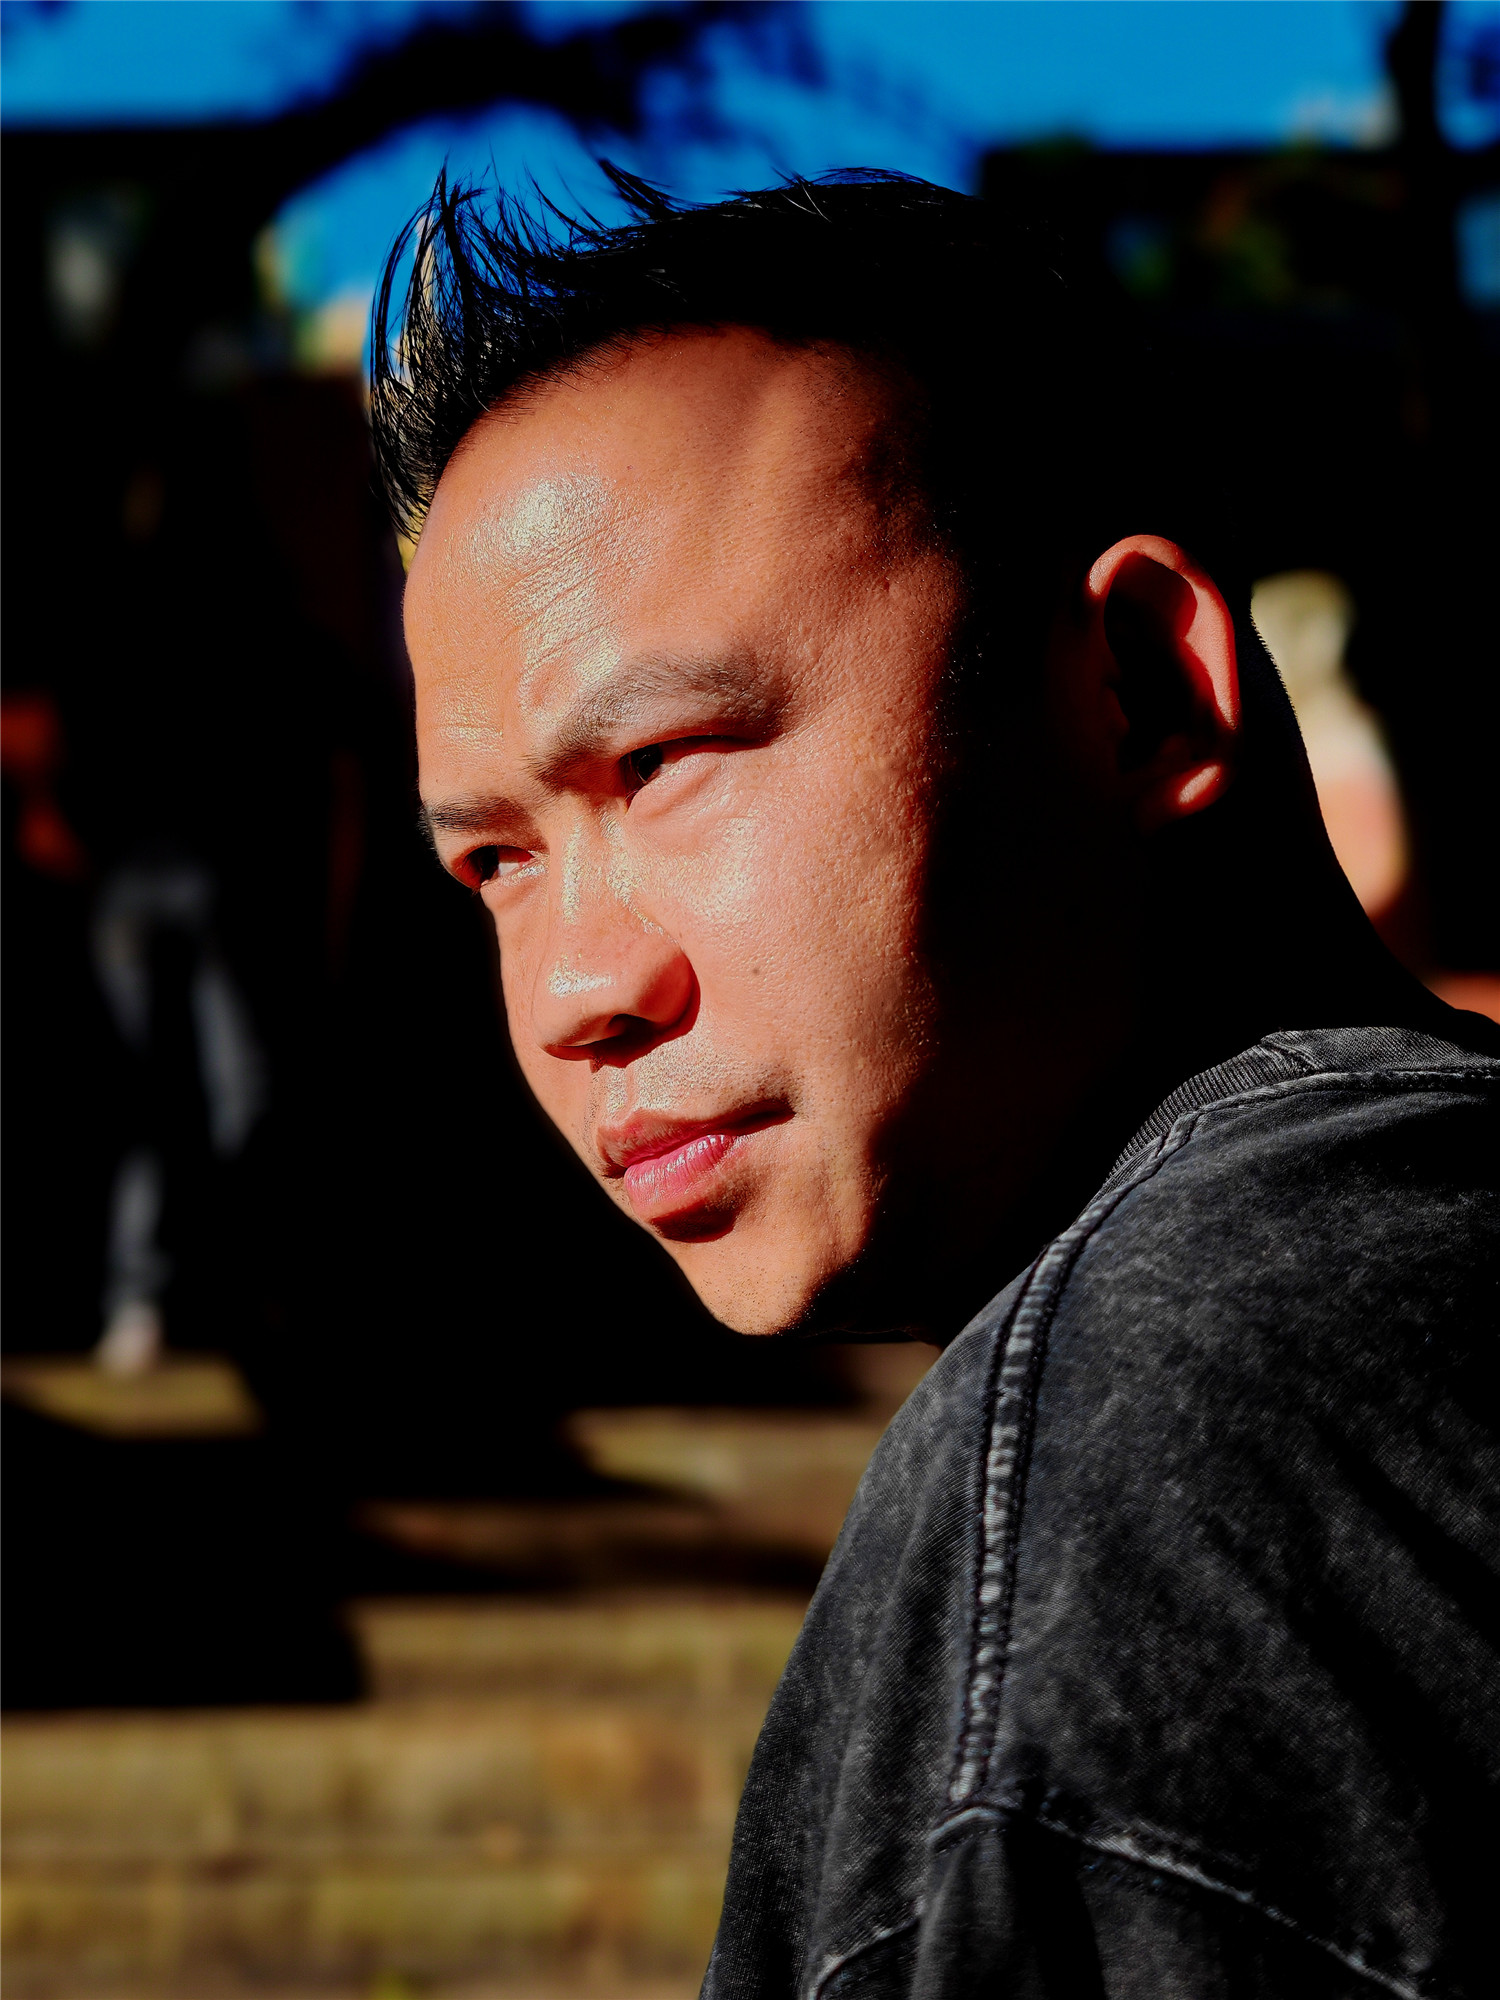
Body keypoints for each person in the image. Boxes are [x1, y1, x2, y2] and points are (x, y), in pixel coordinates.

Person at [375, 171, 1498, 1997]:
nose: (578, 990)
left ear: (1141, 689)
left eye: (666, 762)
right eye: (492, 861)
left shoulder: (1145, 1443)